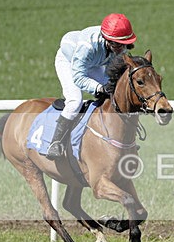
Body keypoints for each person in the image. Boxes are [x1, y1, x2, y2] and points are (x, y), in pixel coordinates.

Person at [46, 13, 137, 159]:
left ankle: (120, 137)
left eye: (124, 44)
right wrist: (99, 88)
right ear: (106, 39)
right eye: (116, 44)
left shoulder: (118, 46)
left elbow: (112, 72)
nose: (121, 48)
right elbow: (78, 76)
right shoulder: (87, 47)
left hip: (95, 62)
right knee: (75, 101)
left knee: (114, 92)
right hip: (70, 62)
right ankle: (56, 143)